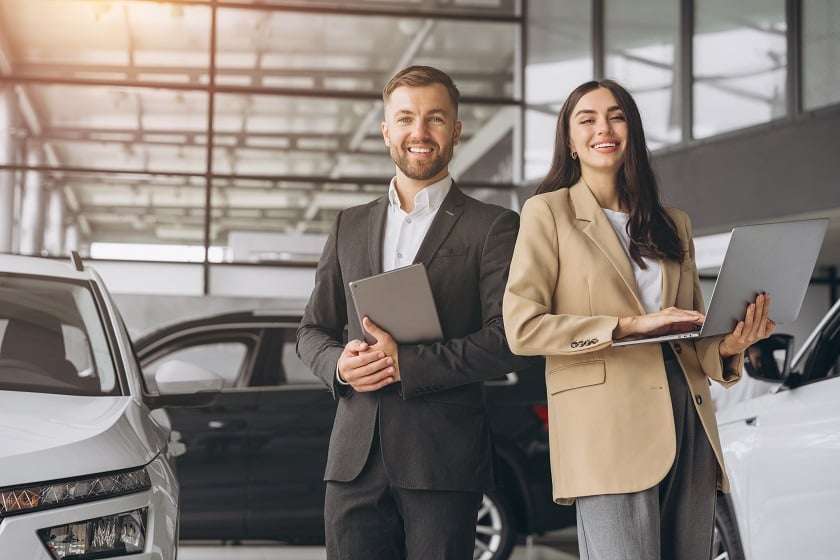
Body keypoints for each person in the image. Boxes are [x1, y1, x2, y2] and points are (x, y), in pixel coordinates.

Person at [502, 79, 775, 560]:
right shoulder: (548, 213)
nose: (602, 128)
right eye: (586, 119)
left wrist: (731, 345)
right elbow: (522, 327)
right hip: (604, 426)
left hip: (686, 415)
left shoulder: (672, 223)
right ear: (569, 140)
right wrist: (628, 326)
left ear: (633, 129)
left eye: (616, 115)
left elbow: (692, 334)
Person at [296, 65, 531, 560]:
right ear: (387, 131)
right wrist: (338, 364)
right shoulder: (348, 226)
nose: (419, 133)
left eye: (435, 119)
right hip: (353, 462)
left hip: (442, 461)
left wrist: (410, 364)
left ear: (456, 131)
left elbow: (508, 340)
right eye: (405, 119)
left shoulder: (492, 227)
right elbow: (312, 330)